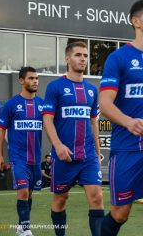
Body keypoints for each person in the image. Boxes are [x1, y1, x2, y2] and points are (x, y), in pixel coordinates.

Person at [42, 41, 104, 236]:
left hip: (87, 156)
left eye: (85, 55)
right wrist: (58, 145)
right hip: (64, 156)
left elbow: (93, 122)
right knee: (61, 199)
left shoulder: (92, 89)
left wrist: (97, 151)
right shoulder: (55, 87)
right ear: (67, 59)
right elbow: (47, 120)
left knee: (97, 198)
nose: (83, 59)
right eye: (78, 55)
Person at [99, 0, 143, 235]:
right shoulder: (119, 58)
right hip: (128, 148)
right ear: (136, 22)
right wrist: (129, 122)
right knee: (120, 213)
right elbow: (105, 104)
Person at [0, 66, 43, 236]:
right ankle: (26, 228)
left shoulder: (42, 104)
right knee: (23, 191)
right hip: (18, 157)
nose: (35, 81)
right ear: (21, 81)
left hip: (36, 158)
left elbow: (50, 126)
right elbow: (1, 129)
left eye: (36, 78)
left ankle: (20, 226)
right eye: (31, 78)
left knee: (29, 194)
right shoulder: (11, 104)